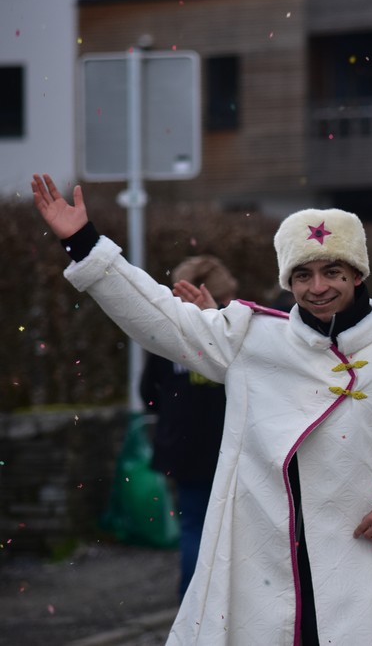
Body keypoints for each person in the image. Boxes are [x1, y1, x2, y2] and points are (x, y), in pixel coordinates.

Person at [31, 174, 372, 645]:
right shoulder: (250, 336)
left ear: (358, 275)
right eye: (303, 275)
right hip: (258, 555)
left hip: (354, 554)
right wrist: (84, 243)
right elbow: (159, 317)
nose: (317, 287)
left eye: (332, 273)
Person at [141, 255, 238, 603]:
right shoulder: (235, 330)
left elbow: (147, 392)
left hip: (182, 447)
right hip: (231, 444)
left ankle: (192, 600)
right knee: (232, 528)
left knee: (194, 525)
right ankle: (227, 601)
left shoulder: (169, 336)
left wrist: (172, 414)